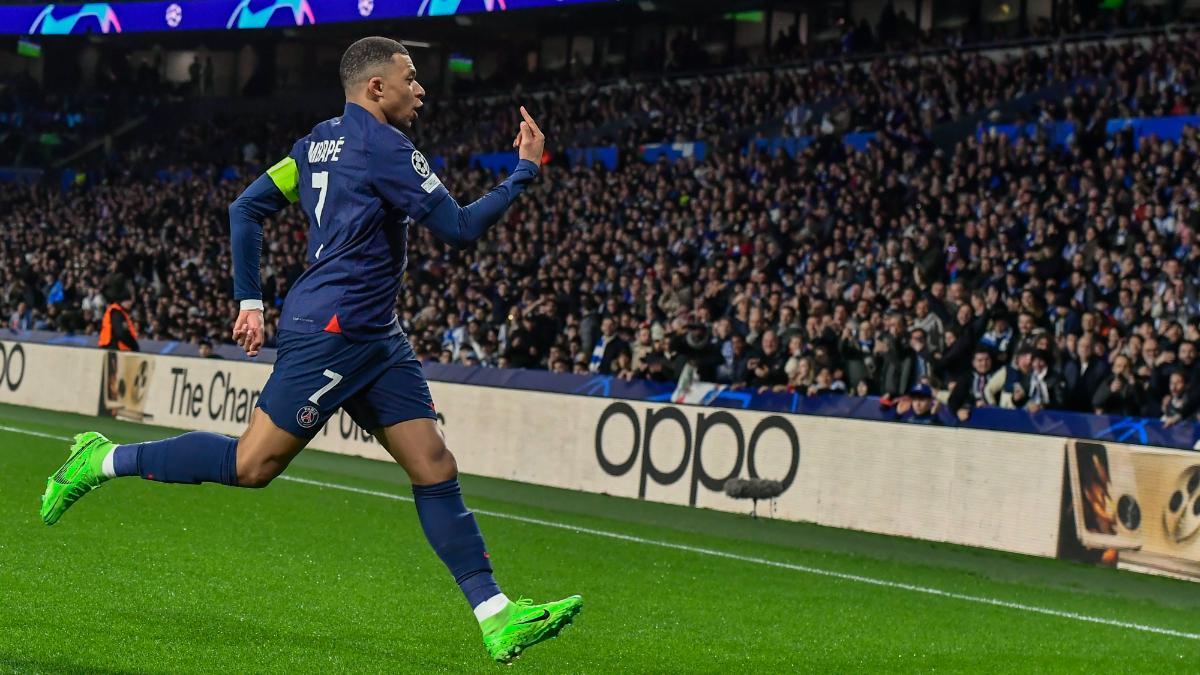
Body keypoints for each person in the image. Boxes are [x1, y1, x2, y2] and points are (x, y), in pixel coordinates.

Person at [39, 37, 580, 664]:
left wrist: (249, 301)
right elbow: (458, 228)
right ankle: (102, 459)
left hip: (376, 336)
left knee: (435, 467)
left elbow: (249, 207)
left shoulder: (314, 144)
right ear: (376, 87)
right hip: (332, 331)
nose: (421, 89)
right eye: (411, 77)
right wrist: (524, 174)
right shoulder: (388, 149)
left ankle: (497, 617)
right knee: (252, 467)